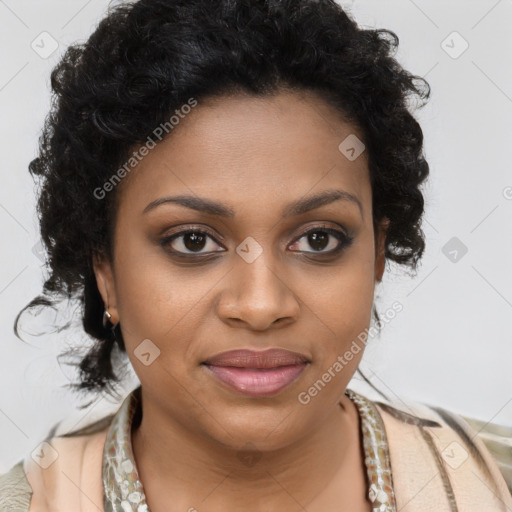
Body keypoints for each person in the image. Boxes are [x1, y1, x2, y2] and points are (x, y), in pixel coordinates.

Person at [1, 0, 511, 511]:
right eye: (193, 241)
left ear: (378, 253)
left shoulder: (491, 486)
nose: (262, 305)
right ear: (105, 272)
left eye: (318, 239)